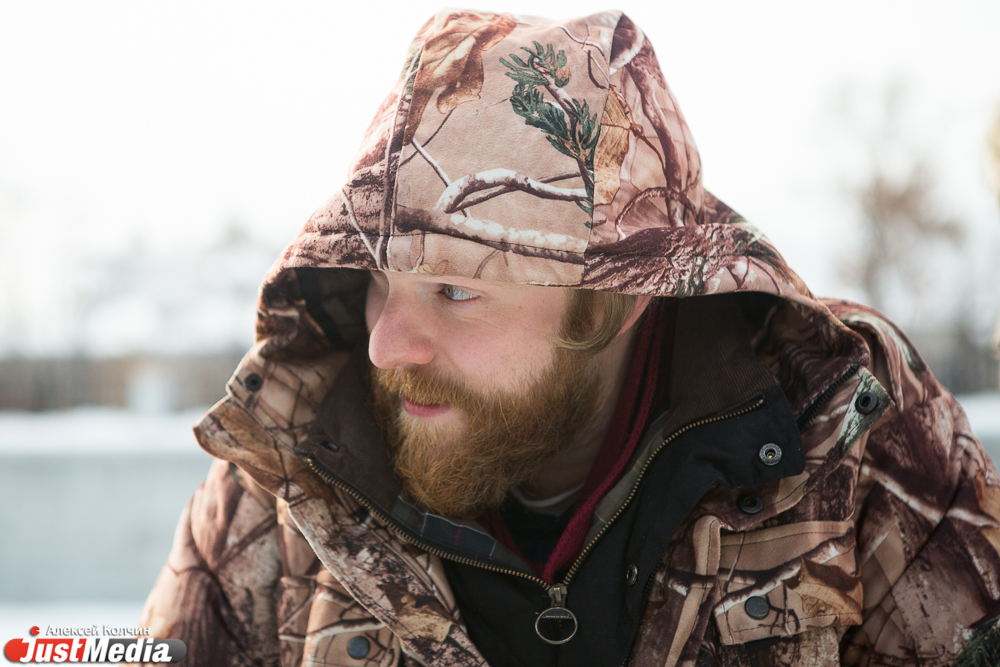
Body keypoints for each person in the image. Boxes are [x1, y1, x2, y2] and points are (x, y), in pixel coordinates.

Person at [138, 10, 1000, 667]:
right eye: (376, 284)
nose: (385, 345)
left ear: (620, 300)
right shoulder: (285, 482)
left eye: (454, 290)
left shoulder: (846, 434)